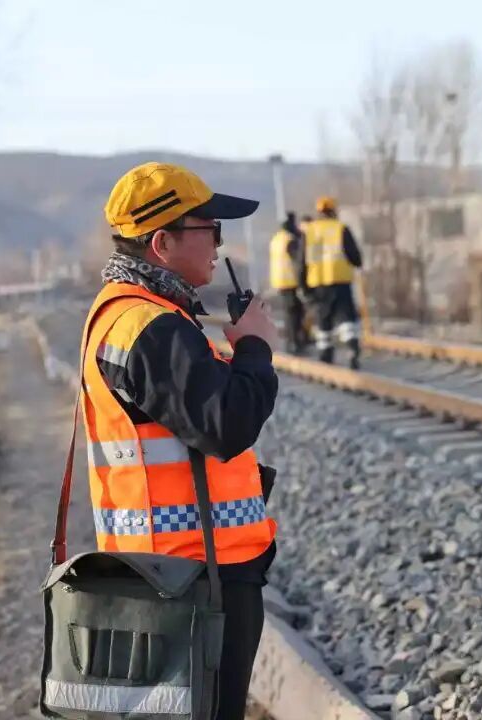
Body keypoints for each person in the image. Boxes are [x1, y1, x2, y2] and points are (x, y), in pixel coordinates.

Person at [82, 161, 279, 720]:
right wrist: (256, 350)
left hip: (179, 571)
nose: (219, 242)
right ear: (162, 242)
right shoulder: (148, 327)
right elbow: (226, 424)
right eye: (209, 228)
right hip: (192, 578)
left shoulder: (146, 316)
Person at [303, 195, 364, 367]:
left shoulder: (310, 231)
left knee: (324, 318)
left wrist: (303, 285)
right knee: (346, 316)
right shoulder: (341, 228)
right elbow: (354, 255)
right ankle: (352, 347)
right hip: (341, 280)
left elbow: (301, 260)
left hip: (318, 282)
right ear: (333, 211)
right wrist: (357, 262)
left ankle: (325, 353)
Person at [268, 212, 308, 353]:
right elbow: (298, 261)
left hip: (280, 281)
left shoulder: (277, 239)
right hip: (291, 280)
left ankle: (293, 342)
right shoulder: (290, 240)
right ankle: (295, 343)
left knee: (290, 312)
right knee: (295, 313)